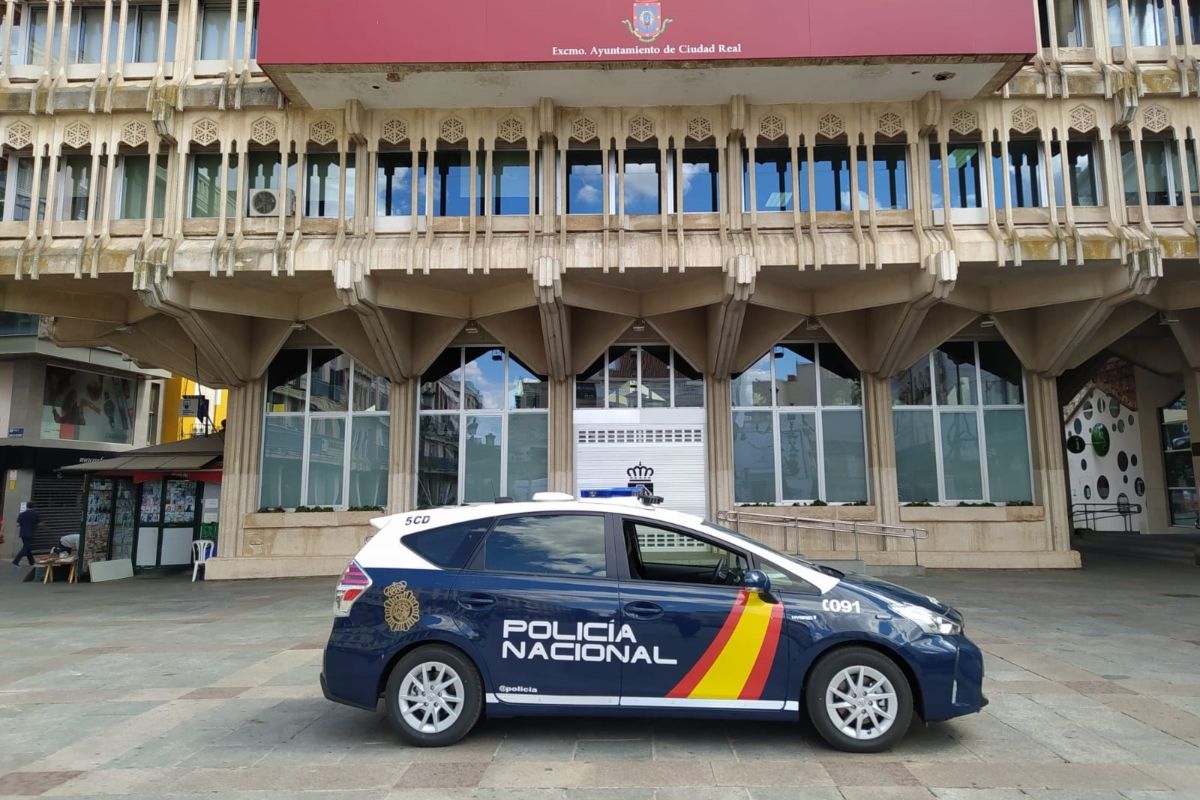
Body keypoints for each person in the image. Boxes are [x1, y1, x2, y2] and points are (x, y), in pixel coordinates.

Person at [12, 503, 41, 567]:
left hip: (23, 534)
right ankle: (15, 561)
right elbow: (39, 524)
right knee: (25, 548)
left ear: (27, 507)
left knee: (28, 548)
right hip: (30, 533)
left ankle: (32, 562)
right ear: (33, 507)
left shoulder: (22, 514)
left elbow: (17, 524)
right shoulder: (35, 514)